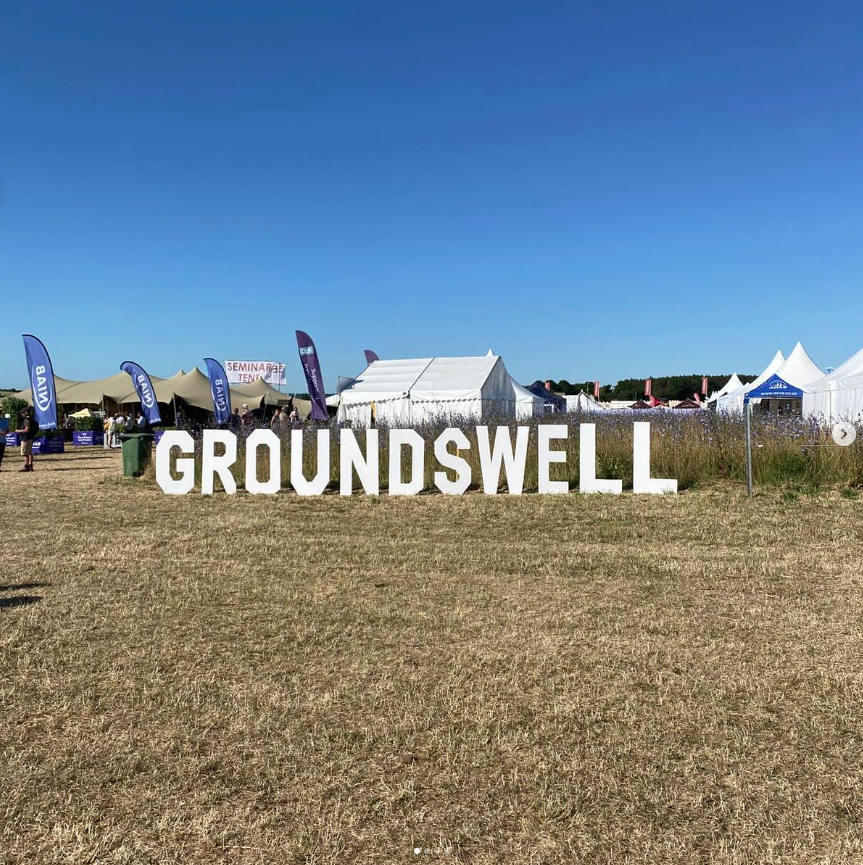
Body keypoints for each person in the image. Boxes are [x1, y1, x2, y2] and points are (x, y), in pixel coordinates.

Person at [16, 407, 39, 472]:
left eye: (22, 413)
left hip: (25, 438)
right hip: (30, 437)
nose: (21, 414)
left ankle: (26, 466)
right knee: (29, 452)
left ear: (25, 413)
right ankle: (30, 466)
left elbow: (26, 430)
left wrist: (19, 431)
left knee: (25, 453)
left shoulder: (26, 420)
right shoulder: (32, 419)